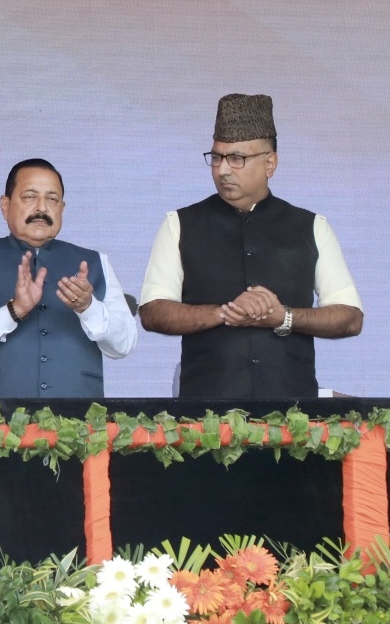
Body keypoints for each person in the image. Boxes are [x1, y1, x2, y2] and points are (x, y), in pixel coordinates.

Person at [139, 93, 362, 397]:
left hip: (293, 423)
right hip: (205, 425)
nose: (222, 170)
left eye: (237, 158)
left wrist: (284, 317)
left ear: (270, 163)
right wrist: (224, 313)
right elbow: (152, 312)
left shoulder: (312, 227)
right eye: (216, 157)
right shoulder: (178, 225)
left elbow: (349, 317)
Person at [0, 158, 137, 397]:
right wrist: (13, 310)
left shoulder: (95, 262)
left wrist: (88, 307)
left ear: (62, 208)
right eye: (30, 197)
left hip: (80, 425)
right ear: (5, 205)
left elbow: (124, 345)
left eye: (52, 199)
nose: (41, 208)